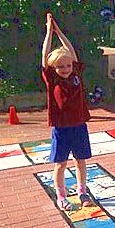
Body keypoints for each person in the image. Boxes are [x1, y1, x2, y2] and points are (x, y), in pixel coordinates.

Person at [41, 13, 95, 211]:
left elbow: (70, 51)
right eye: (61, 66)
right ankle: (61, 196)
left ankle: (82, 191)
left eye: (68, 65)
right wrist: (49, 32)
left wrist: (59, 32)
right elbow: (45, 56)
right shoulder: (52, 79)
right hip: (61, 129)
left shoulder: (76, 74)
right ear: (53, 68)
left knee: (80, 161)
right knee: (61, 164)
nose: (65, 69)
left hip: (79, 125)